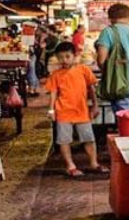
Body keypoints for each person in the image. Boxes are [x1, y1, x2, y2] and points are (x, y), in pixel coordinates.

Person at [45, 42, 105, 177]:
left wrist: (95, 105)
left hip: (82, 110)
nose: (64, 60)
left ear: (75, 56)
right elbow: (53, 93)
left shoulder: (84, 70)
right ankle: (70, 165)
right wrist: (51, 110)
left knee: (89, 138)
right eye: (60, 58)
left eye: (67, 56)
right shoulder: (56, 75)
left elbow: (91, 89)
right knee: (64, 140)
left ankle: (94, 163)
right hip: (63, 112)